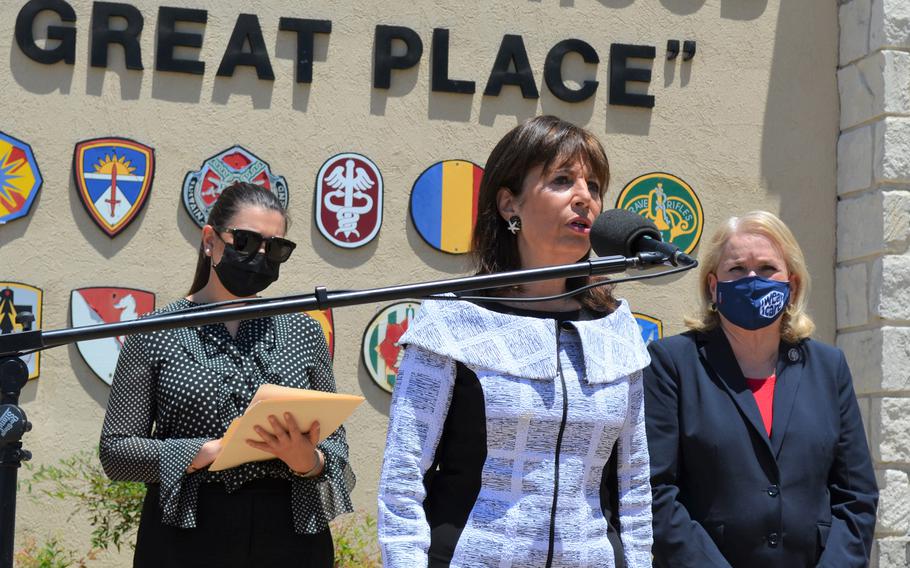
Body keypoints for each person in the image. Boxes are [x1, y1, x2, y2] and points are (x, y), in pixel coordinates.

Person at [377, 115, 653, 567]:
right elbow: (402, 480)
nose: (584, 197)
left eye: (595, 186)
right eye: (562, 180)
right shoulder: (451, 320)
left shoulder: (615, 328)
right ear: (510, 204)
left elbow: (634, 485)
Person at [99, 182, 355, 568]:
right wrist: (203, 452)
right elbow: (116, 453)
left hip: (292, 535)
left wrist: (308, 460)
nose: (261, 256)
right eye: (246, 242)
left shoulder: (303, 331)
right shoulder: (155, 330)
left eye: (276, 248)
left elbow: (339, 453)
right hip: (187, 533)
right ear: (210, 241)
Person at [644, 210, 878, 567]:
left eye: (768, 269)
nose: (753, 280)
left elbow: (856, 496)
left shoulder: (829, 368)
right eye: (737, 269)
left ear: (793, 285)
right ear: (713, 286)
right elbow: (654, 492)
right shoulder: (672, 363)